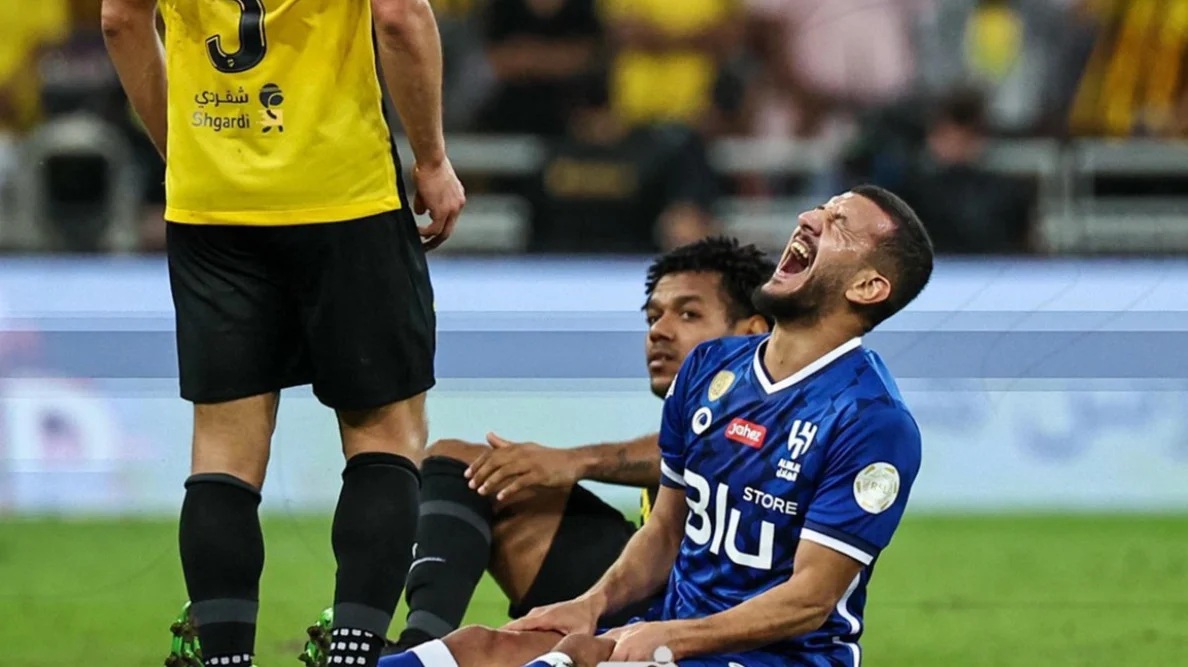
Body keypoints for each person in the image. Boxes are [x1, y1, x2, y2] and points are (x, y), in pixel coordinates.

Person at [379, 184, 933, 667]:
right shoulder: (712, 366)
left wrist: (668, 635)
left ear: (866, 288)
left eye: (838, 224)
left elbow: (811, 599)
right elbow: (665, 530)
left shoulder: (870, 420)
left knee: (577, 657)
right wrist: (591, 604)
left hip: (772, 657)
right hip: (672, 632)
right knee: (481, 645)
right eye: (818, 209)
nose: (809, 219)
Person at [99, 1, 466, 667]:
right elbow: (400, 15)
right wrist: (433, 159)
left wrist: (183, 150)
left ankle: (225, 657)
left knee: (222, 450)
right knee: (384, 434)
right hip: (343, 189)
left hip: (211, 201)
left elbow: (121, 20)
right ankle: (354, 651)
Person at [378, 236, 774, 654]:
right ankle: (416, 647)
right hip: (650, 592)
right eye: (653, 317)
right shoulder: (686, 409)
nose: (659, 331)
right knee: (463, 463)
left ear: (751, 332)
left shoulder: (780, 409)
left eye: (688, 314)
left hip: (719, 630)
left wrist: (575, 461)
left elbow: (707, 450)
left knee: (488, 652)